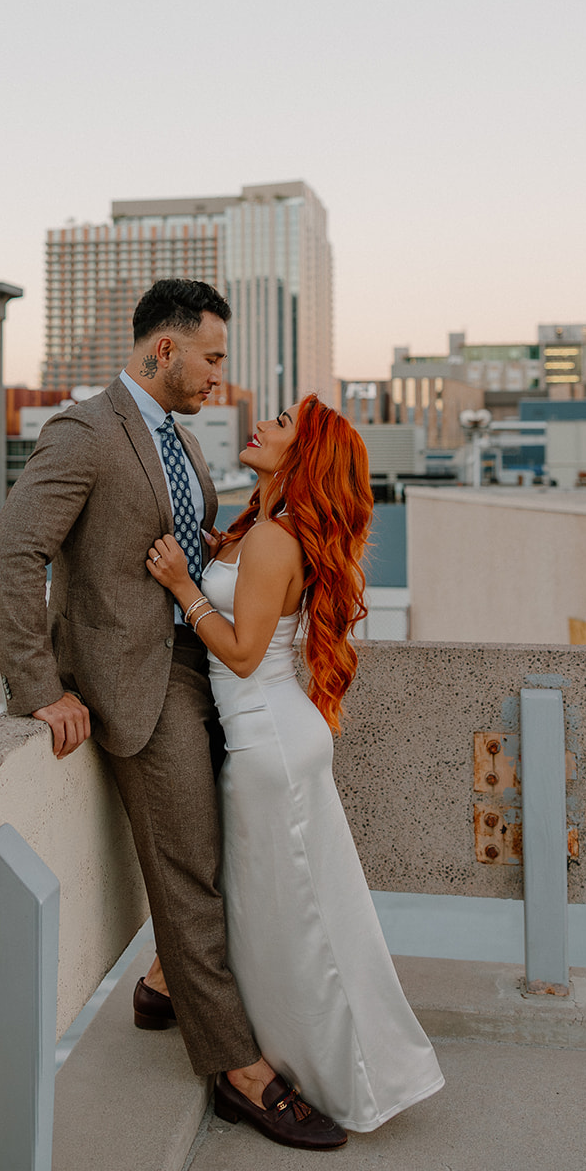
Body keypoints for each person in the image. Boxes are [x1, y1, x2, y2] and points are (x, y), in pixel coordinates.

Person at [0, 279, 347, 1151]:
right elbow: (12, 552)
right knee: (189, 870)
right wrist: (39, 685)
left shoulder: (181, 439)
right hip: (134, 689)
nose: (220, 376)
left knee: (235, 844)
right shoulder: (83, 430)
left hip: (206, 675)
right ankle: (235, 1069)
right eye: (211, 357)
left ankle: (159, 985)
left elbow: (188, 551)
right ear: (163, 351)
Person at [146, 394, 445, 1133]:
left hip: (265, 741)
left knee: (294, 921)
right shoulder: (261, 530)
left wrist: (184, 586)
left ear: (302, 455)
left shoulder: (275, 539)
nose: (264, 424)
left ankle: (340, 1073)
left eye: (282, 424)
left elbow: (244, 655)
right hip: (277, 735)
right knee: (299, 912)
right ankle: (320, 1054)